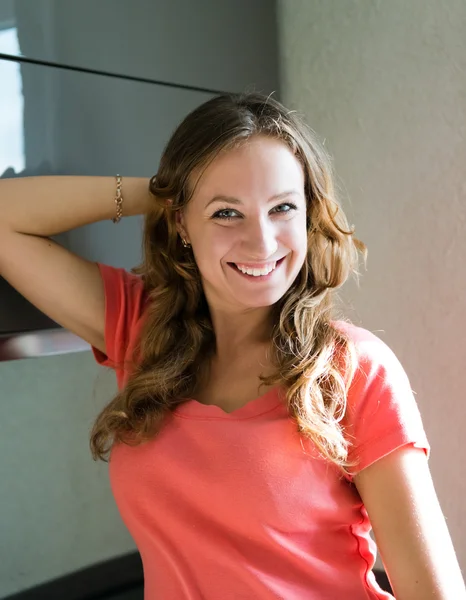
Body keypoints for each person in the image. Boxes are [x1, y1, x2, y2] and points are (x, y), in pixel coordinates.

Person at [0, 92, 464, 600]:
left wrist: (205, 196)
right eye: (226, 213)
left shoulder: (354, 369)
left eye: (282, 207)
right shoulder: (142, 329)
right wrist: (161, 191)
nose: (261, 242)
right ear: (181, 223)